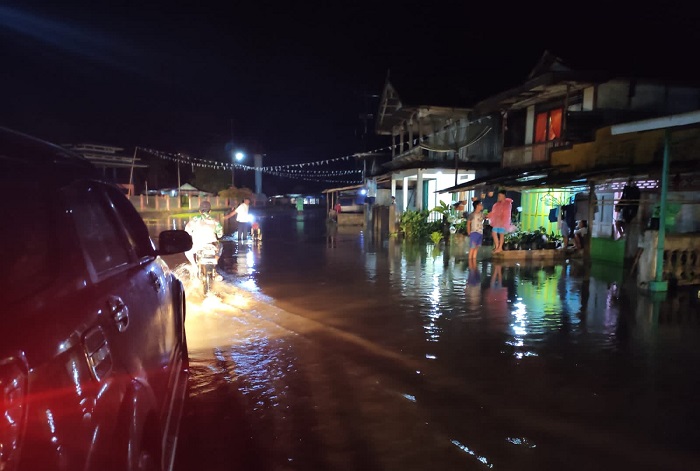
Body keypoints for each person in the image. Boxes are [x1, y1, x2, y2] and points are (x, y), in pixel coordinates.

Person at [184, 200, 224, 280]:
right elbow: (220, 234)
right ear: (210, 211)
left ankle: (194, 266)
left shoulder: (194, 219)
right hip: (212, 245)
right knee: (221, 246)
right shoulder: (215, 221)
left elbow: (187, 231)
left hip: (197, 245)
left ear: (199, 211)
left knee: (187, 251)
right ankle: (214, 267)